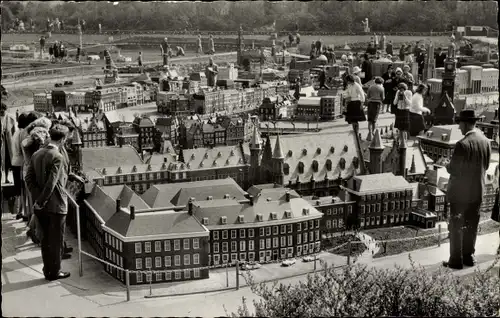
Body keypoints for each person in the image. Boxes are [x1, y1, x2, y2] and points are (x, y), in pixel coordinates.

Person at [443, 110, 491, 270]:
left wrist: (447, 165)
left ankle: (456, 260)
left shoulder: (462, 144)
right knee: (472, 225)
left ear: (465, 123)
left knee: (456, 226)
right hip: (477, 192)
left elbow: (454, 170)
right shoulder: (485, 141)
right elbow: (487, 165)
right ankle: (469, 257)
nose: (459, 127)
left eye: (460, 124)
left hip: (460, 195)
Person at [25, 124, 71, 281]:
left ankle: (47, 271)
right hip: (56, 205)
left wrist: (38, 200)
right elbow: (52, 183)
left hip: (40, 206)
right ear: (63, 139)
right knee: (57, 241)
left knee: (45, 240)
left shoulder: (37, 154)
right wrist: (43, 200)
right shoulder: (58, 157)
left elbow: (28, 178)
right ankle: (55, 271)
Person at [11, 113, 29, 220]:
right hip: (21, 162)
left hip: (14, 161)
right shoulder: (23, 133)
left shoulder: (15, 133)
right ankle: (23, 212)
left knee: (18, 188)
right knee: (24, 189)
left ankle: (18, 210)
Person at [1, 103, 16, 184]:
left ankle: (7, 179)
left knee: (9, 161)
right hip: (1, 143)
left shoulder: (10, 118)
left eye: (3, 111)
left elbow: (14, 132)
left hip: (9, 143)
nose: (2, 112)